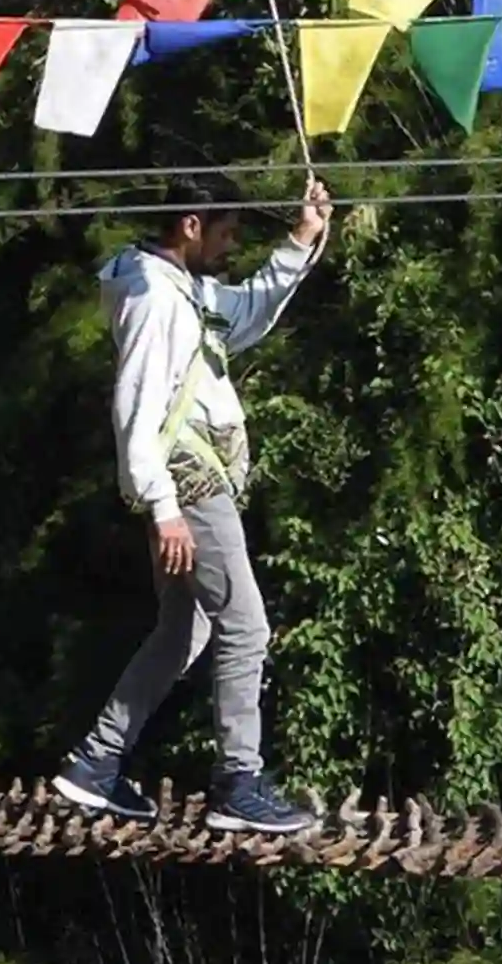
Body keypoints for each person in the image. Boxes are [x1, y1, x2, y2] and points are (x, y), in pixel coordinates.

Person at [52, 174, 334, 834]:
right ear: (190, 225)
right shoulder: (153, 300)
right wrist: (163, 506)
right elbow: (135, 406)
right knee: (246, 626)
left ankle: (96, 763)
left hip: (182, 486)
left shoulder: (185, 292)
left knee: (186, 630)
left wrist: (301, 242)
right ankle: (239, 779)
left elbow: (247, 312)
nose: (232, 242)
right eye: (227, 229)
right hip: (188, 484)